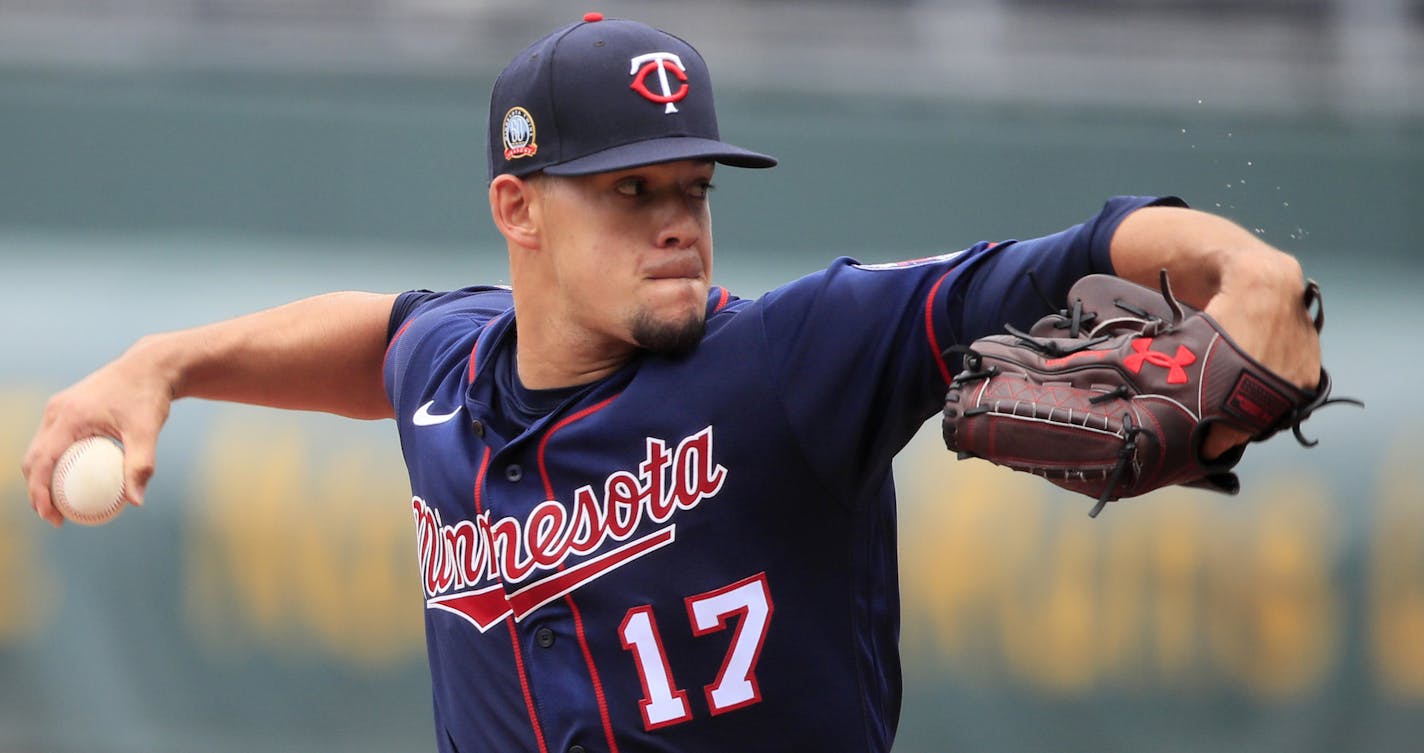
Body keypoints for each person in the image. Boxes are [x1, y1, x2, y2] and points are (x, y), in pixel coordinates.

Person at [21, 13, 1322, 753]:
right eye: (630, 191)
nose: (676, 221)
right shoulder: (451, 375)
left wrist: (1239, 263)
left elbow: (1047, 262)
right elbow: (379, 337)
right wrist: (161, 366)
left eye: (691, 188)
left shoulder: (792, 358)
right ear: (516, 210)